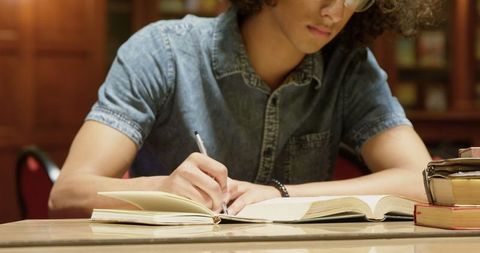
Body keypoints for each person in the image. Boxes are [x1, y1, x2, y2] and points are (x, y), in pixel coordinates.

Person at [49, 0, 441, 218]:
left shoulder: (349, 68)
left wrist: (280, 194)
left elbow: (421, 182)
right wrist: (163, 188)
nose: (335, 11)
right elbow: (67, 192)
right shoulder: (163, 53)